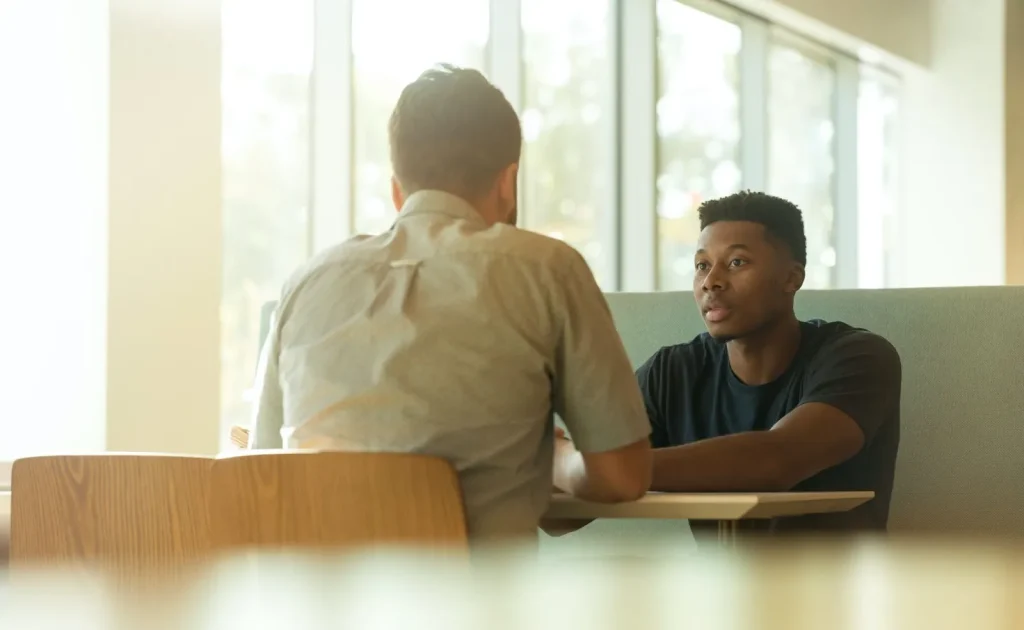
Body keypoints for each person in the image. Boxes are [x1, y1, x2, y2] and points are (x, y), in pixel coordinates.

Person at [248, 64, 652, 544]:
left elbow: (261, 471)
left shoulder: (305, 283)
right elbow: (623, 477)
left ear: (398, 190)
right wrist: (558, 458)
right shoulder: (548, 269)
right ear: (508, 182)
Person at [637, 191, 901, 535]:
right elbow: (563, 518)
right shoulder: (671, 373)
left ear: (791, 278)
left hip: (839, 586)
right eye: (702, 265)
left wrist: (604, 468)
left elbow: (776, 460)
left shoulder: (859, 358)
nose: (710, 281)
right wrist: (566, 464)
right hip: (718, 587)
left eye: (736, 263)